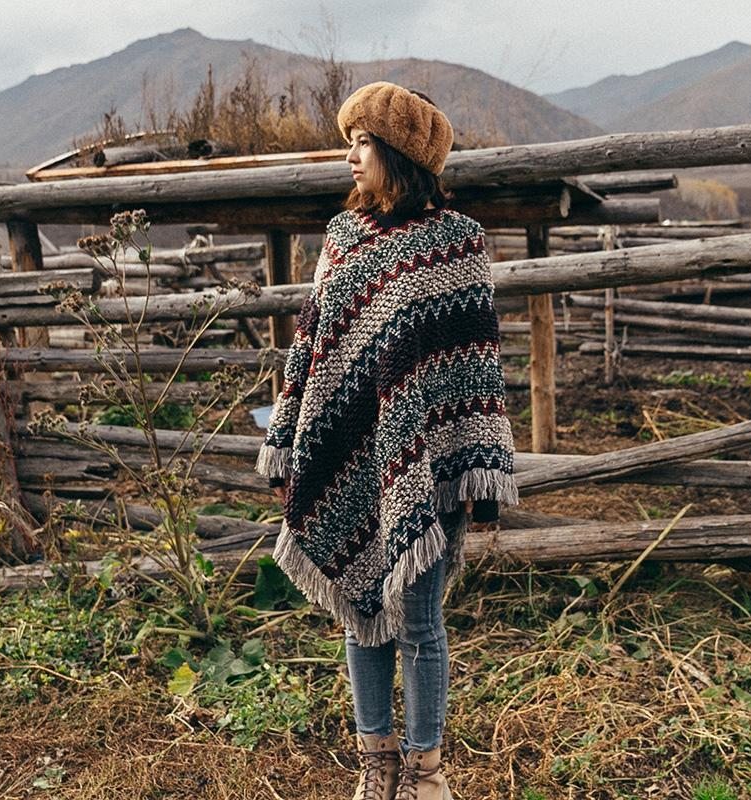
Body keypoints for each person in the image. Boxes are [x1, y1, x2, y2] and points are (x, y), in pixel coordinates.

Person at [256, 81, 517, 800]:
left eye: (362, 141)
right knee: (361, 614)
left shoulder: (458, 244)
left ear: (399, 153)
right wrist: (286, 439)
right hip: (349, 455)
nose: (349, 154)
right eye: (349, 140)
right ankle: (377, 766)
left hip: (424, 464)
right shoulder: (343, 239)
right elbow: (310, 350)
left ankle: (426, 775)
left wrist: (473, 461)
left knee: (421, 622)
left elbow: (473, 366)